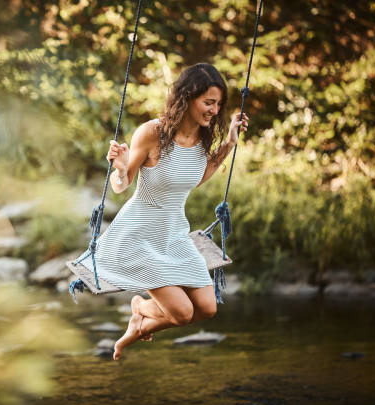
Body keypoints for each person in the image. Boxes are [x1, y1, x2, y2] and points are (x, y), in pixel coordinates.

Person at [75, 63, 249, 360]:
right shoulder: (153, 133)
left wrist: (229, 143)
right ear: (187, 98)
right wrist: (120, 168)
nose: (214, 110)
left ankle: (140, 317)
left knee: (207, 308)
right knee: (181, 313)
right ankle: (140, 309)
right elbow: (122, 185)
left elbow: (197, 177)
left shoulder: (203, 138)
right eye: (208, 102)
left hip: (173, 235)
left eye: (218, 104)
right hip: (138, 237)